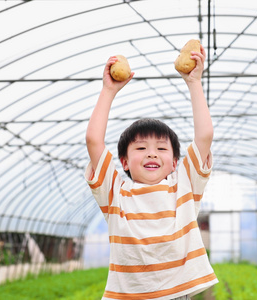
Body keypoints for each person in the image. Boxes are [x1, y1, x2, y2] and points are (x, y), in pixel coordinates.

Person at [84, 45, 217, 300]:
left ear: (175, 161)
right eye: (141, 147)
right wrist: (108, 91)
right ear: (124, 161)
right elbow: (93, 141)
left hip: (176, 295)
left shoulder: (184, 187)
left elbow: (205, 136)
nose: (152, 153)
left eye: (161, 148)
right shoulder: (116, 194)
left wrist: (194, 83)